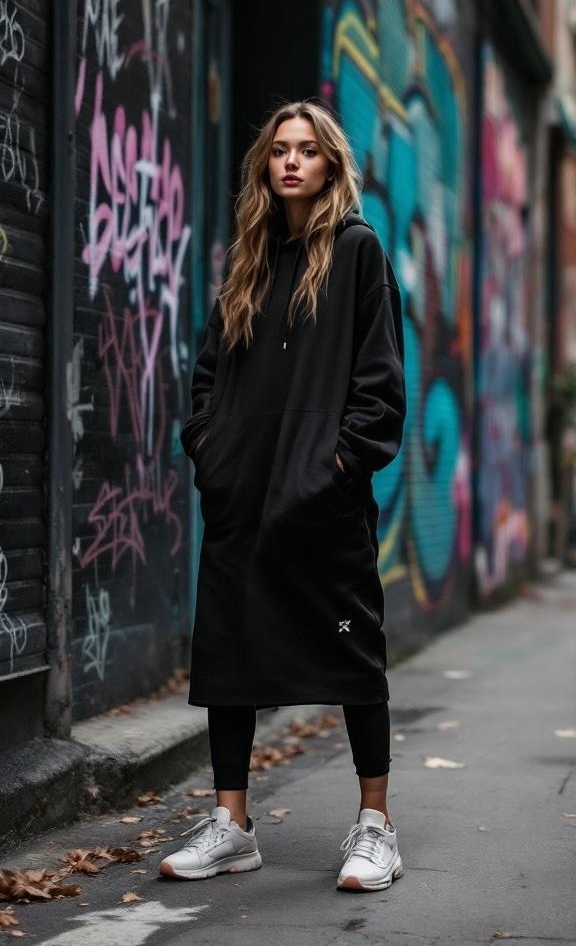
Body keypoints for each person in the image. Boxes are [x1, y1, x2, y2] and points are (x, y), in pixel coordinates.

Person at [160, 101, 406, 892]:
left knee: (354, 658)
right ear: (265, 166)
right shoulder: (249, 259)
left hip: (322, 505)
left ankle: (376, 826)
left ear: (331, 164)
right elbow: (208, 375)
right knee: (228, 659)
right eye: (279, 151)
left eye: (307, 151)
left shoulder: (360, 253)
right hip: (241, 500)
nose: (291, 162)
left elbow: (380, 387)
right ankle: (232, 825)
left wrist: (332, 468)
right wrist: (213, 454)